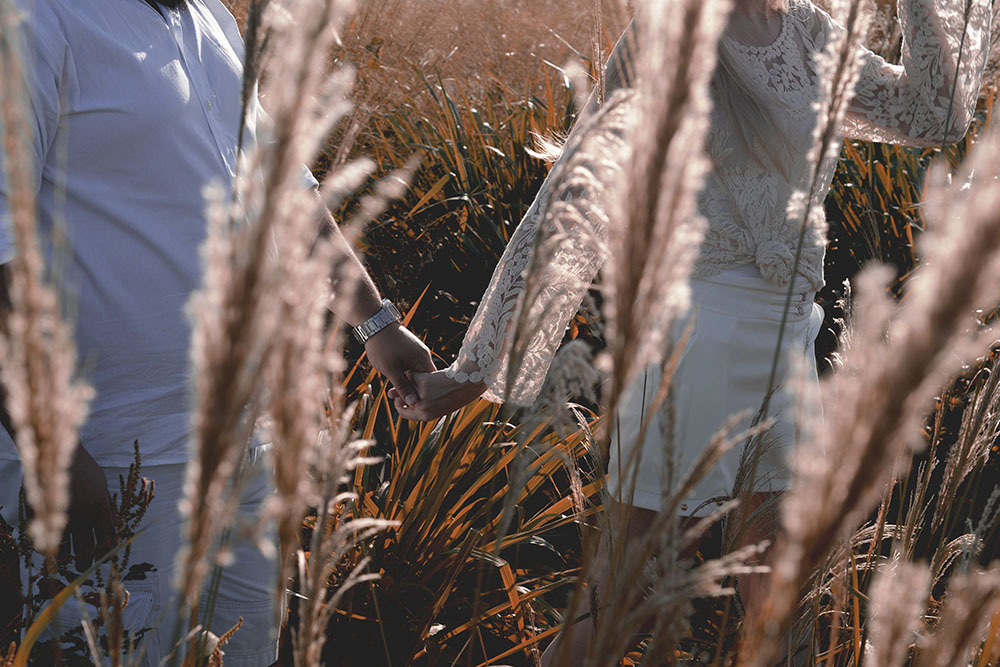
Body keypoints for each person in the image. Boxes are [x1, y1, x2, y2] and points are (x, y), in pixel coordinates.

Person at [392, 0, 991, 661]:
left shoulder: (812, 31)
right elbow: (576, 195)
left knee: (780, 598)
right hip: (691, 335)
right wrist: (477, 367)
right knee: (628, 590)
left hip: (785, 334)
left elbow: (935, 116)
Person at [0, 0, 434, 663]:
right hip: (118, 459)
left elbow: (283, 185)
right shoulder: (36, 21)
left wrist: (374, 320)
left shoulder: (213, 20)